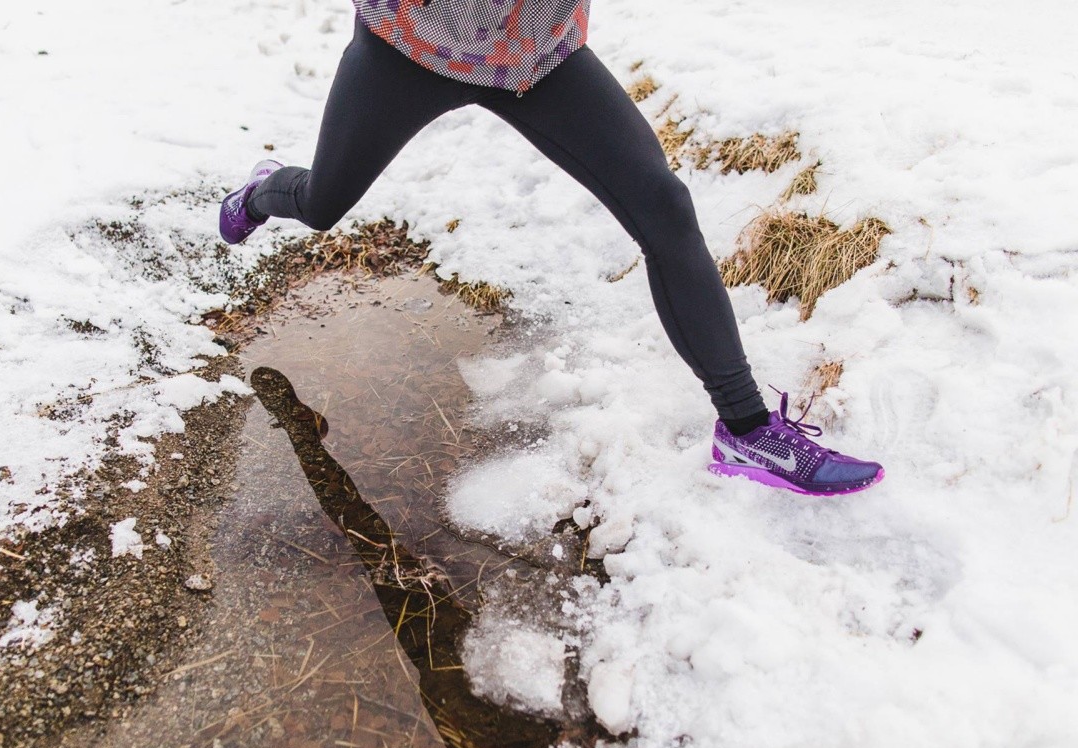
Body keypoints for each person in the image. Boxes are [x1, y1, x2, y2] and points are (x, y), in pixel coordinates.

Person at [218, 0, 883, 496]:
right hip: (411, 48)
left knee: (665, 208)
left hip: (537, 59)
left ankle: (747, 431)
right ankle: (259, 193)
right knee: (323, 202)